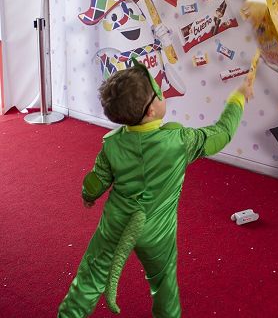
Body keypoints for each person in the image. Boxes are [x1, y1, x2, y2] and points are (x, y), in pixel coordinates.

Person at [58, 57, 254, 318]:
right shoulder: (179, 141)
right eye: (158, 91)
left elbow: (96, 180)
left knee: (90, 276)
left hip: (115, 225)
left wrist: (88, 196)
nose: (163, 92)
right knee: (163, 283)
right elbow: (223, 132)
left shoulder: (112, 144)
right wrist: (238, 97)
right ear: (151, 111)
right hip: (157, 231)